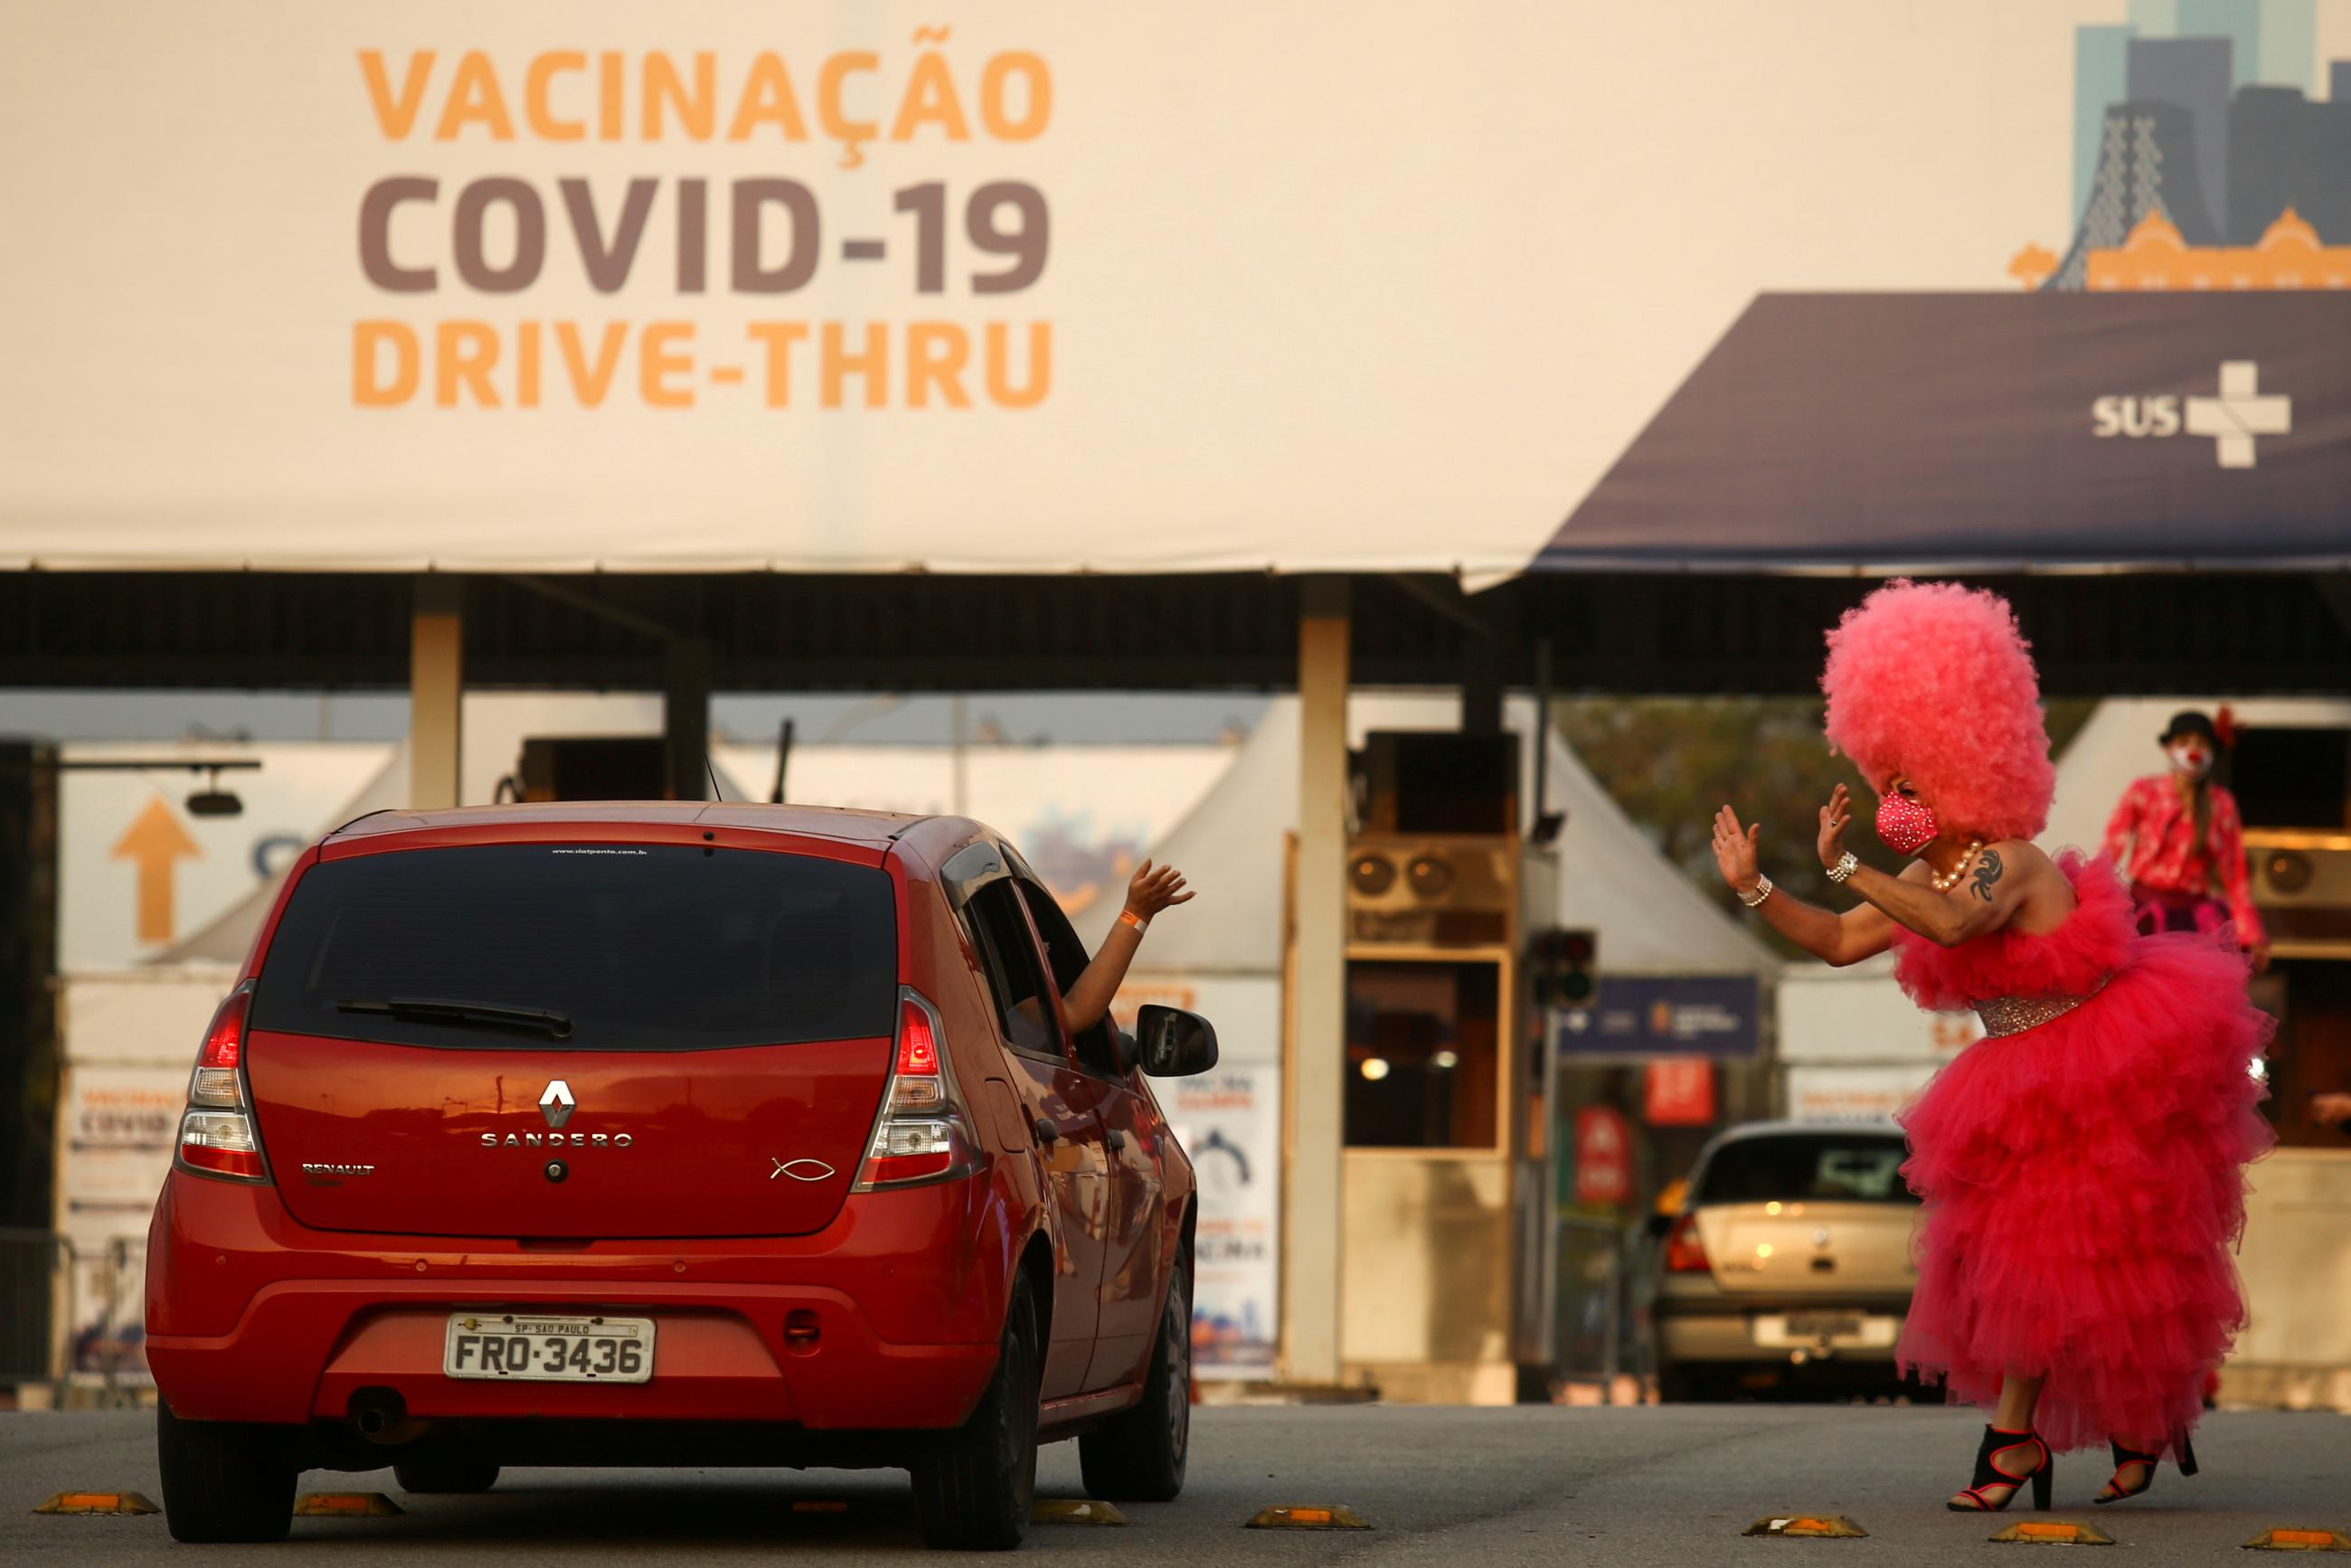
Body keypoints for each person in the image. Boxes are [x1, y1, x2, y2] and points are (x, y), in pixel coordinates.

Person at [1708, 580, 2271, 1512]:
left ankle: (2020, 1442)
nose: (1893, 799)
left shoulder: (2006, 863)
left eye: (1905, 783)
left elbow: (1955, 925)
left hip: (2098, 1075)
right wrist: (1753, 887)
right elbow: (1841, 941)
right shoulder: (1926, 876)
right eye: (1886, 781)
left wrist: (1849, 864)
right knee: (2042, 1272)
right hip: (2015, 1085)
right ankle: (2119, 1431)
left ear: (1960, 764)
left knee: (2078, 1267)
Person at [2102, 710, 2270, 974]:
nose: (2193, 751)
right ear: (2169, 749)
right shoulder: (2143, 792)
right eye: (2183, 742)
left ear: (2212, 752)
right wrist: (2092, 903)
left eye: (2201, 743)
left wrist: (2252, 935)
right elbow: (2110, 851)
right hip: (2144, 916)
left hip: (2195, 922)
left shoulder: (2220, 804)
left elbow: (2235, 874)